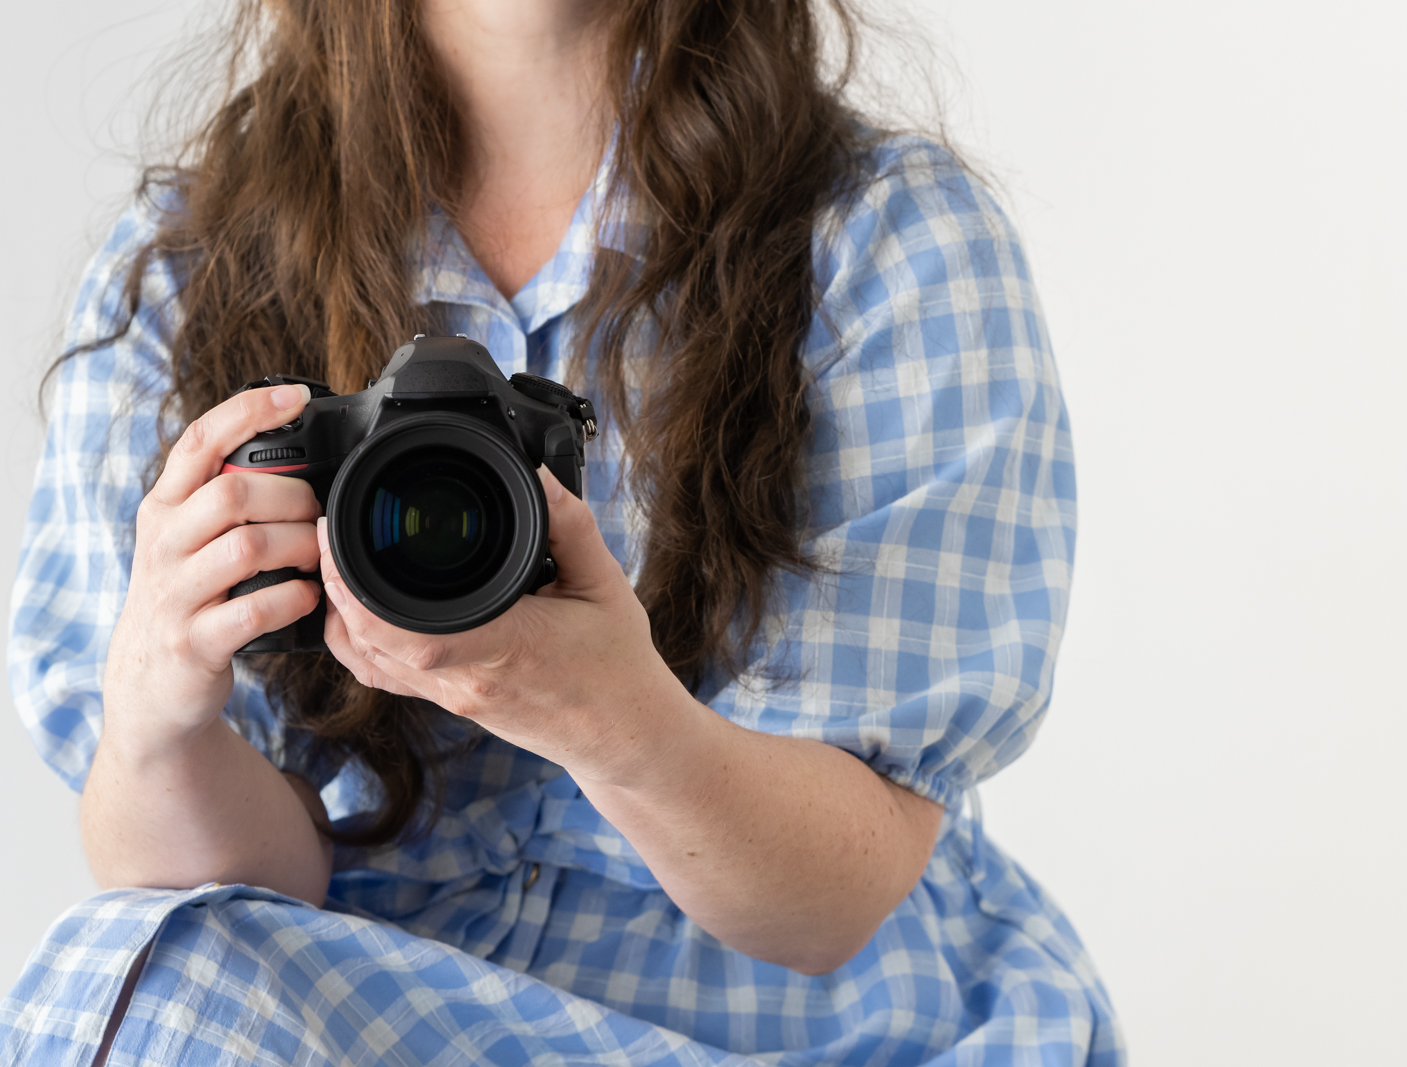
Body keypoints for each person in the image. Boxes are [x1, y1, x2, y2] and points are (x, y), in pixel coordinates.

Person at [2, 0, 1123, 1063]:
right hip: (375, 1009)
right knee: (139, 964)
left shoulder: (882, 244)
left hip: (799, 1025)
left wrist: (620, 719)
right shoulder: (194, 274)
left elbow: (826, 909)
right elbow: (235, 899)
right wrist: (164, 713)